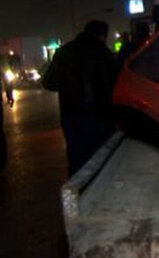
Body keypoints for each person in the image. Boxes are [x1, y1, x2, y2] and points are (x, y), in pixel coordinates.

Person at [43, 20, 116, 176]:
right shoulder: (102, 53)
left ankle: (76, 187)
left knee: (76, 158)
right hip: (98, 114)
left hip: (70, 114)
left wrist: (67, 84)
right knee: (100, 159)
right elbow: (112, 84)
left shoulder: (64, 52)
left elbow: (48, 82)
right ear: (102, 35)